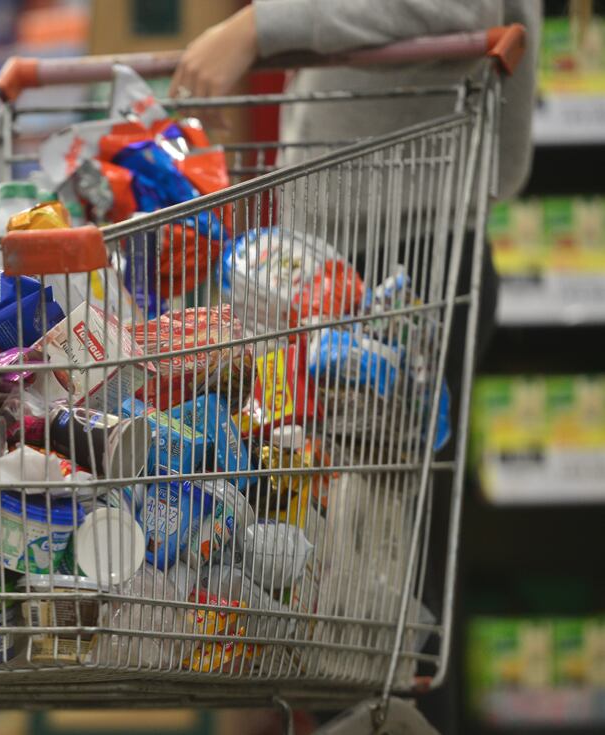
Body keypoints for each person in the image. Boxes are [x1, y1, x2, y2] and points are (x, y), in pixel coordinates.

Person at [171, 3, 541, 734]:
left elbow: (459, 7)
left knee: (384, 607)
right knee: (330, 580)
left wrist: (255, 29)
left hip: (407, 264)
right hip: (342, 258)